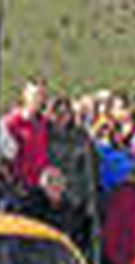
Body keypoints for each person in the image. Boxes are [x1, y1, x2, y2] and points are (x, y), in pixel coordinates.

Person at [45, 96, 100, 247]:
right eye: (58, 113)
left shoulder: (81, 138)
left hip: (75, 201)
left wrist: (90, 204)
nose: (61, 117)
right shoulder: (44, 135)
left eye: (65, 113)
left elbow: (89, 172)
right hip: (50, 201)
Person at [21, 166, 97, 264]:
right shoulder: (31, 208)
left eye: (59, 181)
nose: (55, 185)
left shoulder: (70, 212)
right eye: (50, 181)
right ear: (42, 186)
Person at [0, 78, 51, 194]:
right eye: (35, 95)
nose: (38, 99)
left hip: (40, 185)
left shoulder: (44, 123)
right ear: (25, 95)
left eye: (42, 95)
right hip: (19, 185)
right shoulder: (12, 122)